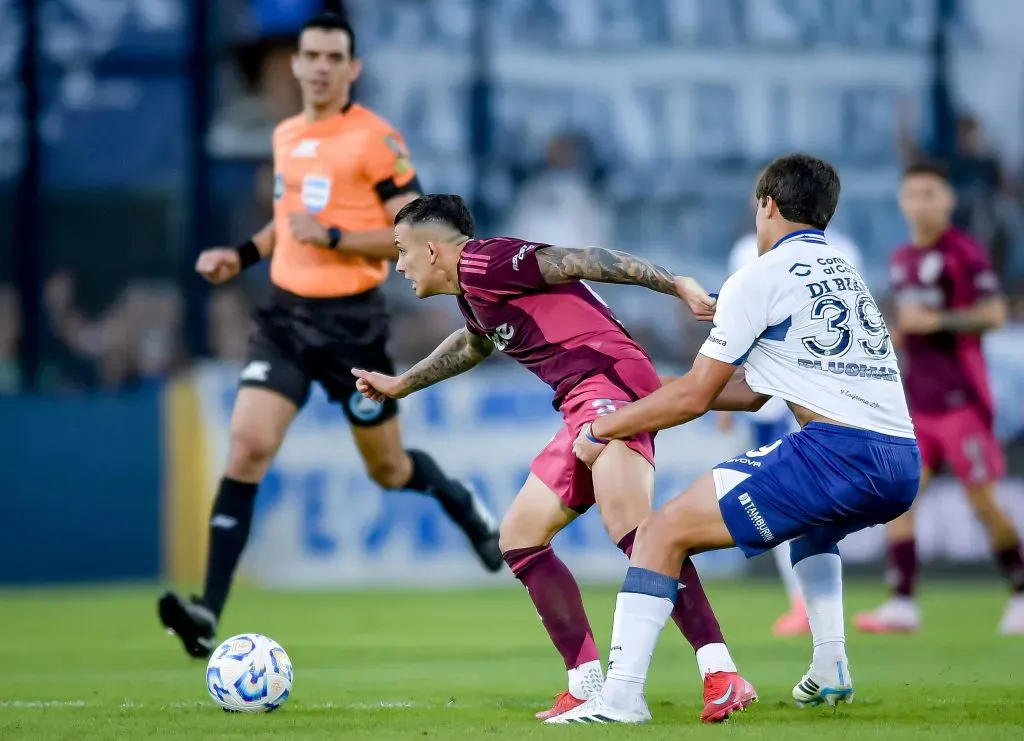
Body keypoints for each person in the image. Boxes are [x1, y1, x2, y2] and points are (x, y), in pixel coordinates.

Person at [158, 14, 501, 659]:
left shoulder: (375, 140)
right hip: (286, 323)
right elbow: (288, 223)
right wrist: (241, 254)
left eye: (332, 57)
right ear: (296, 65)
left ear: (352, 68)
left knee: (389, 469)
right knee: (247, 447)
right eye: (310, 55)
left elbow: (416, 233)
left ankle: (459, 500)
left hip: (353, 329)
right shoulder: (287, 134)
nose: (319, 66)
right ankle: (206, 611)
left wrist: (338, 238)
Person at [353, 194, 757, 723]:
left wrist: (676, 284)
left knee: (636, 530)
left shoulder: (487, 262)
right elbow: (473, 346)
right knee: (520, 536)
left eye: (402, 251)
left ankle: (720, 673)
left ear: (431, 250)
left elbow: (582, 259)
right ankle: (586, 683)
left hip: (607, 384)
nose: (399, 265)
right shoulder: (474, 294)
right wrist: (402, 384)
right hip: (583, 399)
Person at [550, 154, 921, 725]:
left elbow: (696, 396)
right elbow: (749, 393)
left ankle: (620, 697)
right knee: (813, 527)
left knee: (662, 532)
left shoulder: (760, 275)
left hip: (838, 452)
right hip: (900, 460)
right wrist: (643, 390)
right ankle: (831, 664)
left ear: (766, 205)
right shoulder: (845, 274)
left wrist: (604, 425)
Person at [854, 161, 1024, 635]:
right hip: (918, 405)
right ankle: (903, 604)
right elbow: (911, 325)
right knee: (900, 498)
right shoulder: (902, 258)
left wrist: (940, 321)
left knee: (983, 502)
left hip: (962, 402)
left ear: (948, 200)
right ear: (902, 201)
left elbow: (994, 314)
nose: (920, 204)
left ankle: (1020, 590)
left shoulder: (962, 253)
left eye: (930, 194)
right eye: (912, 194)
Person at [720, 227, 864, 637]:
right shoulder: (746, 249)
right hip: (761, 396)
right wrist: (724, 392)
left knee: (800, 505)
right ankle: (802, 603)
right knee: (783, 505)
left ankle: (811, 605)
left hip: (808, 396)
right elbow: (738, 325)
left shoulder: (842, 249)